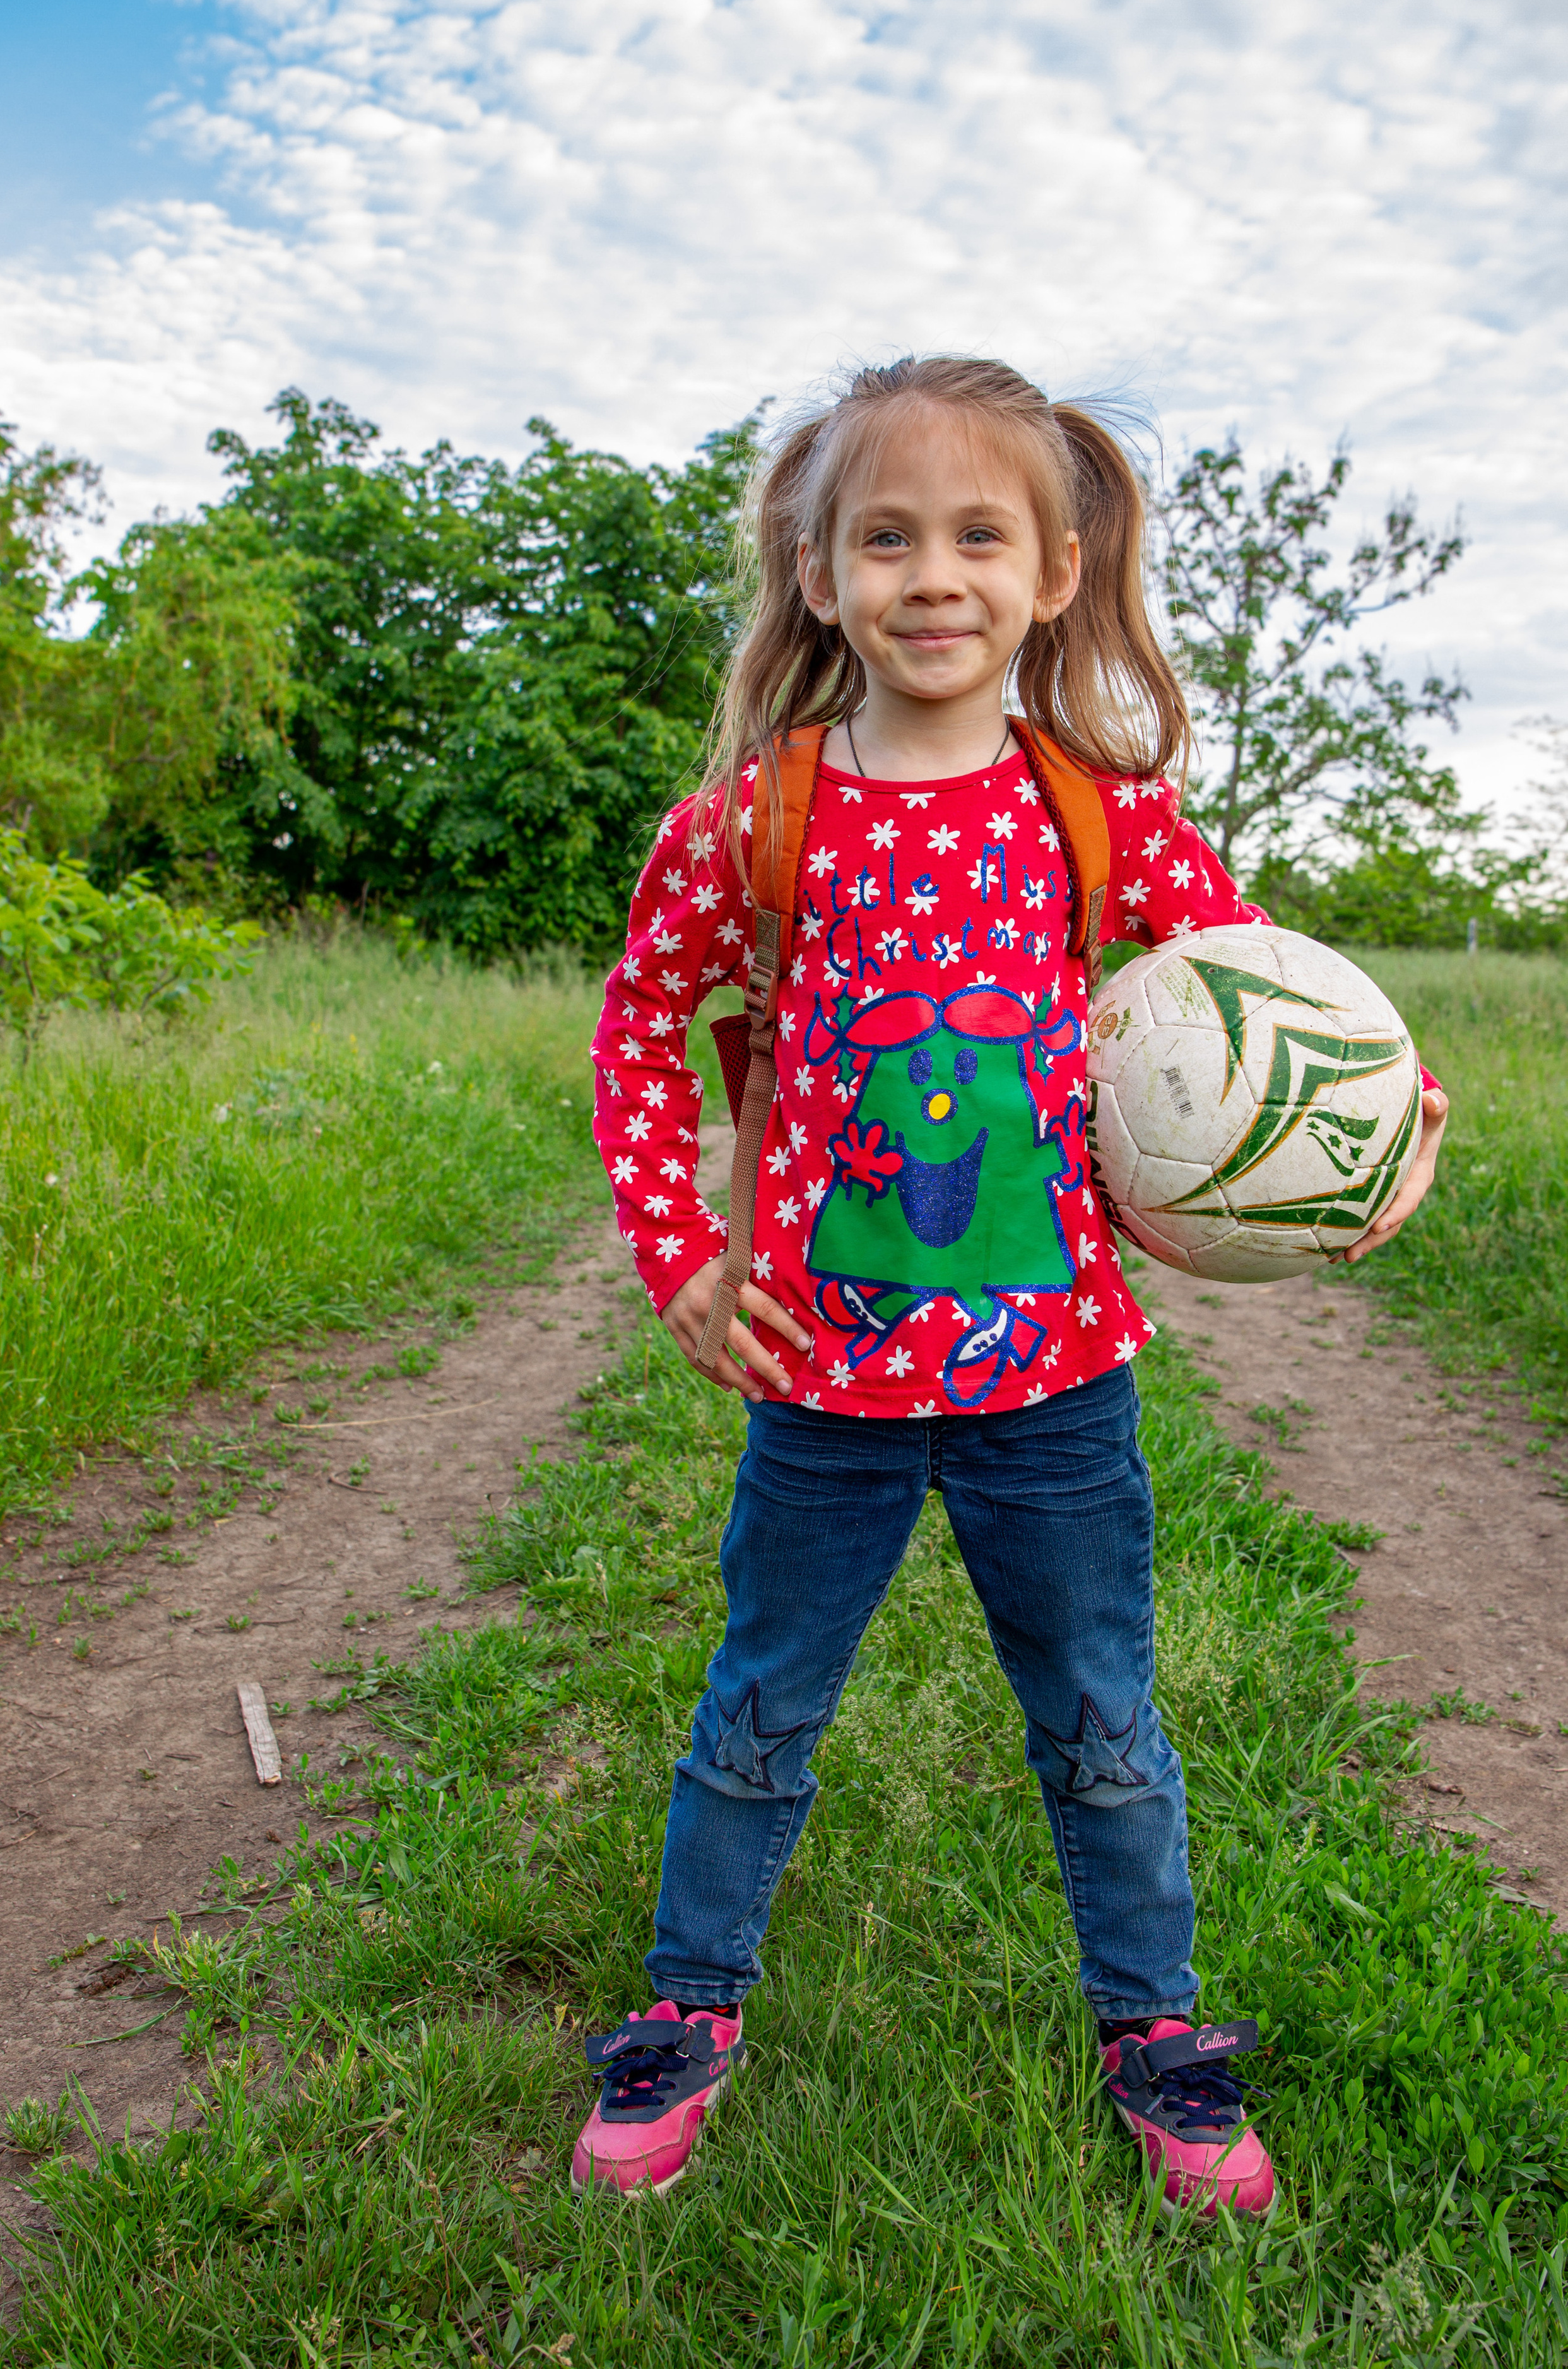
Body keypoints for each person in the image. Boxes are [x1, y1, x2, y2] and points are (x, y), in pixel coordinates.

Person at [577, 355, 1448, 2212]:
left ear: (1055, 574)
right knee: (759, 1712)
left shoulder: (1099, 816)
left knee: (1104, 1721)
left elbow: (1275, 995)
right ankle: (688, 2008)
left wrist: (1399, 1122)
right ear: (819, 577)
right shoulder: (761, 819)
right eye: (885, 536)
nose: (934, 574)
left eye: (982, 534)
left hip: (1057, 1388)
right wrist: (683, 1253)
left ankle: (1156, 2030)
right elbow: (647, 1027)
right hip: (825, 1395)